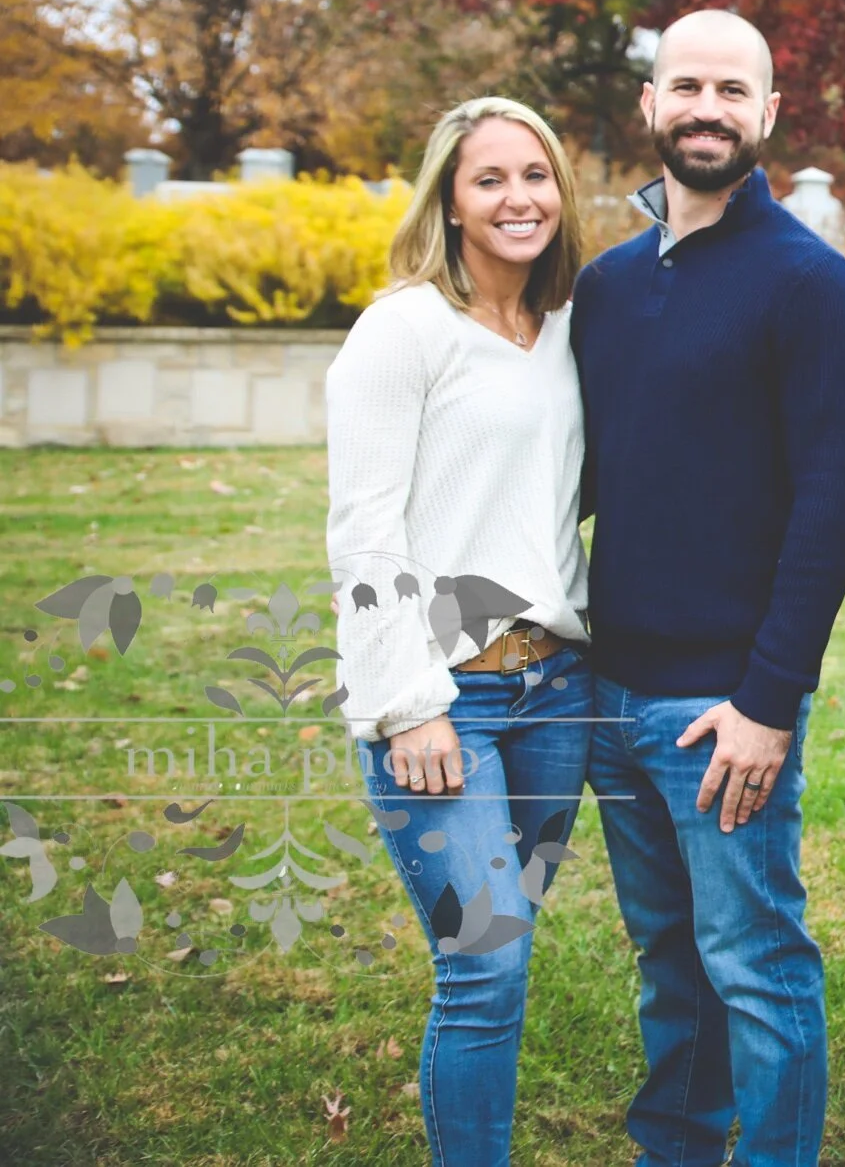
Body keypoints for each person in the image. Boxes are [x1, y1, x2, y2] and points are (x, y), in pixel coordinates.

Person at [570, 9, 845, 1167]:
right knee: (668, 962)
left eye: (730, 90)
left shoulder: (807, 283)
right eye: (685, 85)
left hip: (724, 708)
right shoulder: (603, 287)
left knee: (754, 963)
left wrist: (768, 702)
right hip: (609, 693)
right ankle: (679, 1149)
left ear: (767, 115)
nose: (707, 108)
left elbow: (829, 514)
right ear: (649, 104)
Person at [328, 96, 593, 1167]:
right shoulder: (403, 330)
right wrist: (409, 706)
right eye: (490, 179)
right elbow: (364, 528)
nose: (518, 197)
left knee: (507, 944)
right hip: (449, 701)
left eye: (535, 175)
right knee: (480, 962)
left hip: (556, 695)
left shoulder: (570, 326)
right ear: (449, 197)